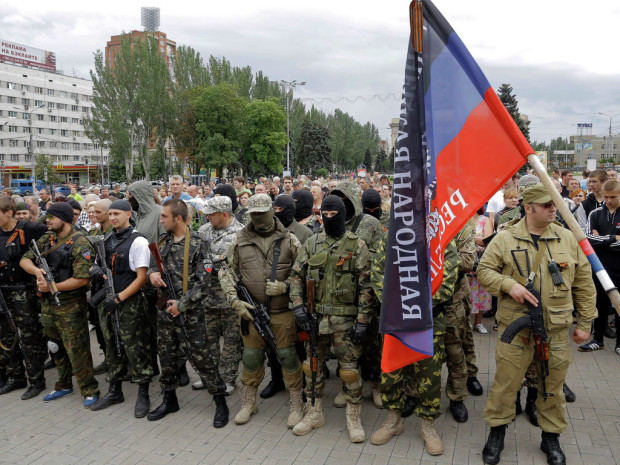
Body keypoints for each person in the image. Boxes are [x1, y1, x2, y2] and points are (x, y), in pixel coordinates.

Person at [477, 184, 596, 465]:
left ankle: (550, 436)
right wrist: (509, 285)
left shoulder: (567, 238)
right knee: (506, 385)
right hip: (516, 329)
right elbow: (484, 270)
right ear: (528, 208)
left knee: (552, 386)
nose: (553, 209)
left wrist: (586, 323)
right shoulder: (506, 238)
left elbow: (584, 283)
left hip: (554, 330)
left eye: (554, 204)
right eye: (546, 205)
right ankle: (497, 432)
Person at [289, 195, 374, 442]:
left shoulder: (356, 245)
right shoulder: (313, 243)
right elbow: (296, 275)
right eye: (324, 215)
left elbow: (367, 286)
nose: (328, 218)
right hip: (315, 320)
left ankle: (354, 415)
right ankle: (314, 412)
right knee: (311, 367)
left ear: (342, 215)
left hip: (345, 321)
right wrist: (298, 307)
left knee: (349, 371)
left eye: (332, 214)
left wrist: (362, 320)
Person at [218, 194, 304, 429]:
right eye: (253, 214)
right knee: (251, 357)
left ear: (271, 212)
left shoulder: (290, 240)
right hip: (251, 313)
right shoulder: (240, 239)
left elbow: (302, 273)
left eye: (262, 214)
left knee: (287, 356)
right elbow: (225, 271)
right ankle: (249, 402)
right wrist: (235, 301)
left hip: (281, 312)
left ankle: (297, 402)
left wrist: (285, 287)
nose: (257, 218)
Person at [370, 237, 457, 455]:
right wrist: (397, 305)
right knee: (391, 371)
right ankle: (393, 419)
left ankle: (428, 425)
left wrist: (413, 305)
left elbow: (446, 284)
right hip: (396, 319)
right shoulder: (393, 234)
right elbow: (378, 274)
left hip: (428, 320)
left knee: (430, 376)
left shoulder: (443, 237)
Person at [148, 199, 229, 427]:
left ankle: (220, 402)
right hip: (165, 313)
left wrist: (181, 305)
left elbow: (204, 283)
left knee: (202, 359)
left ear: (178, 219)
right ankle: (169, 399)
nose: (161, 220)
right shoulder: (162, 242)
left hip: (189, 315)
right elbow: (154, 266)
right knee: (166, 357)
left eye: (165, 217)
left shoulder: (199, 244)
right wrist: (152, 275)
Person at [20, 202, 100, 407]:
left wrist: (53, 288)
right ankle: (63, 385)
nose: (47, 220)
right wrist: (38, 272)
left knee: (77, 349)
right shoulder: (47, 238)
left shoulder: (80, 243)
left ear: (64, 219)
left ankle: (89, 389)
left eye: (51, 217)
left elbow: (83, 279)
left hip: (71, 307)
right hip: (48, 306)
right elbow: (24, 260)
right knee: (55, 348)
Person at [88, 200, 154, 418]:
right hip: (108, 302)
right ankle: (115, 390)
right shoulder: (107, 239)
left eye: (117, 213)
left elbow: (142, 277)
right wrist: (95, 269)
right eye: (111, 214)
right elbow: (97, 263)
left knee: (136, 349)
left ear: (128, 214)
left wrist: (120, 298)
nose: (113, 217)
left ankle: (143, 393)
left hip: (129, 304)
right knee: (111, 346)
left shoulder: (138, 241)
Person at [192, 197, 244, 394]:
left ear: (224, 214)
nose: (207, 217)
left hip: (229, 298)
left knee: (231, 342)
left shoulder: (240, 233)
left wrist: (208, 262)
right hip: (206, 297)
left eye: (211, 214)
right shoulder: (204, 230)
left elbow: (227, 263)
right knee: (207, 340)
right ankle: (209, 376)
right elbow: (197, 257)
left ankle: (228, 379)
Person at [0, 198, 48, 399]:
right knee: (5, 337)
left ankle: (36, 381)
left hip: (23, 291)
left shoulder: (30, 229)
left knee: (29, 337)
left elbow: (53, 237)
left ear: (9, 212)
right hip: (2, 291)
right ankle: (15, 377)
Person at [443, 221, 483, 424]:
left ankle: (458, 395)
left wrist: (433, 258)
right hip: (422, 300)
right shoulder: (415, 221)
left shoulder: (460, 224)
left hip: (454, 298)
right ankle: (415, 394)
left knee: (458, 346)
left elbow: (467, 262)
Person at [578, 180, 620, 353]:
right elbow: (587, 239)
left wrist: (601, 238)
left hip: (619, 267)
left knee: (618, 305)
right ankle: (598, 339)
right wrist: (613, 238)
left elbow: (596, 241)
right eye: (606, 197)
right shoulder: (595, 214)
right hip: (599, 267)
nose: (609, 200)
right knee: (599, 305)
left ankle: (619, 343)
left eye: (613, 197)